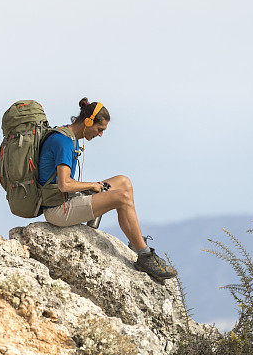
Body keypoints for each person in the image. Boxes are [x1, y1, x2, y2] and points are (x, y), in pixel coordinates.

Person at [37, 97, 177, 281]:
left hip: (66, 198)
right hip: (57, 210)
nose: (100, 134)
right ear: (87, 122)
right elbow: (65, 184)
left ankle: (135, 242)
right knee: (121, 197)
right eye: (99, 129)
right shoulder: (63, 141)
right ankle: (144, 255)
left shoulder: (69, 137)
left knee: (123, 182)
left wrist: (91, 188)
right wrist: (92, 186)